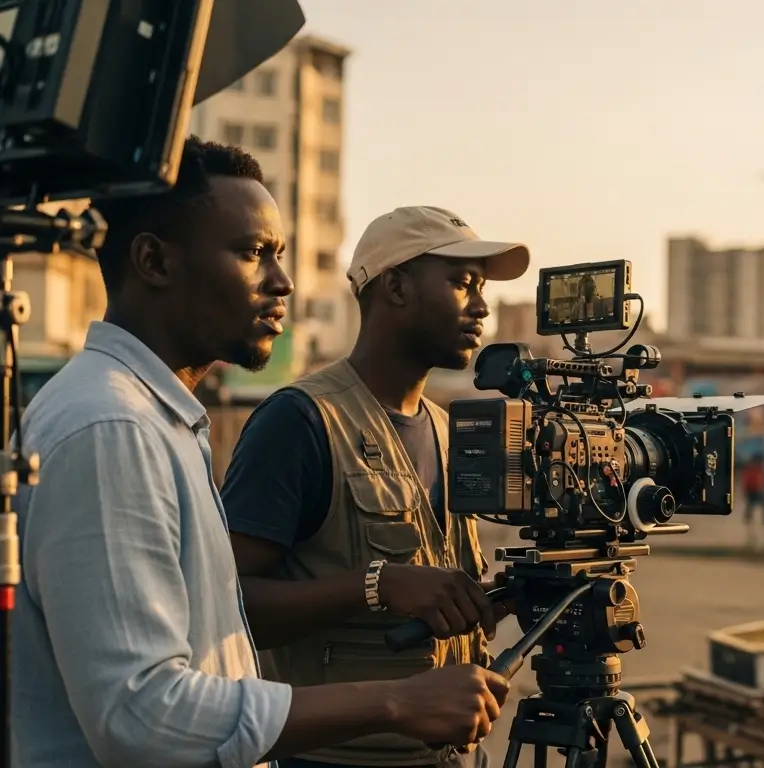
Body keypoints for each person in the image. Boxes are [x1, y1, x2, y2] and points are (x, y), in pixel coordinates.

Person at [10, 138, 508, 768]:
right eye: (252, 253)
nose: (284, 281)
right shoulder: (111, 426)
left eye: (279, 254)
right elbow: (142, 713)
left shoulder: (157, 418)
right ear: (154, 262)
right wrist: (395, 701)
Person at [220, 205, 530, 768]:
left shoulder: (447, 428)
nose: (482, 306)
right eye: (462, 283)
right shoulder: (301, 421)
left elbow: (433, 583)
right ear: (396, 287)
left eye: (481, 287)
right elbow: (230, 604)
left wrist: (488, 596)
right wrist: (378, 584)